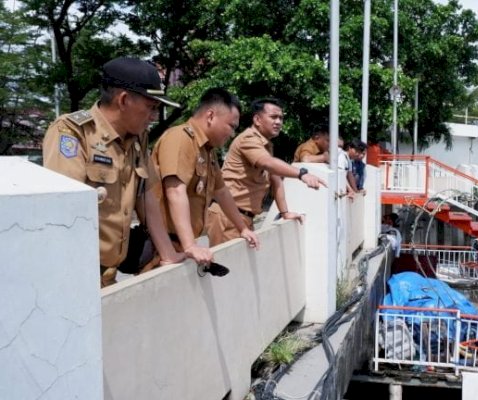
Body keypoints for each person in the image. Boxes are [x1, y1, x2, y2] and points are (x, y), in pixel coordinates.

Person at [43, 56, 185, 287]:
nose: (153, 117)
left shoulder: (137, 138)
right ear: (124, 100)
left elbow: (145, 196)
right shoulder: (72, 132)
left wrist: (168, 254)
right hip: (77, 275)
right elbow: (65, 211)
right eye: (151, 107)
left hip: (109, 275)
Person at [152, 88, 260, 265]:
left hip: (182, 247)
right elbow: (175, 191)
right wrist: (190, 246)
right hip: (166, 248)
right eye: (231, 126)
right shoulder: (180, 138)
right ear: (210, 116)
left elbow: (222, 192)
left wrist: (242, 228)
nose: (232, 133)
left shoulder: (207, 150)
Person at [205, 98, 326, 246]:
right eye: (273, 117)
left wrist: (285, 213)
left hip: (243, 217)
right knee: (228, 266)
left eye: (281, 118)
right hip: (227, 216)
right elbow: (267, 163)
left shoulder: (265, 144)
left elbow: (276, 181)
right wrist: (302, 174)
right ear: (257, 119)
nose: (278, 122)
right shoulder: (248, 139)